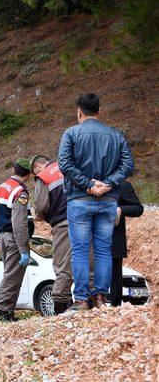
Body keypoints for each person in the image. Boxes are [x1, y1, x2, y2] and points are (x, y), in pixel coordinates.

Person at [58, 93, 134, 312]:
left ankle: (81, 299)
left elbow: (65, 164)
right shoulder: (116, 135)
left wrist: (88, 185)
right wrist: (108, 184)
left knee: (80, 250)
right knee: (103, 250)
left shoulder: (71, 133)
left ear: (79, 112)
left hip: (80, 199)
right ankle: (100, 298)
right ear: (99, 111)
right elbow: (127, 165)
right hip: (109, 200)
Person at [31, 155, 73, 314]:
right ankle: (90, 298)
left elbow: (42, 205)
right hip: (84, 220)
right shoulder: (68, 166)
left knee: (62, 263)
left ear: (37, 166)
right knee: (85, 260)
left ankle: (60, 304)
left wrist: (41, 216)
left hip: (63, 223)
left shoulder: (43, 176)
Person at [0, 159, 33, 321]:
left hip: (3, 236)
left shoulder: (3, 186)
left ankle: (7, 312)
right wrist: (23, 248)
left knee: (10, 275)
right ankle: (4, 313)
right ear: (29, 174)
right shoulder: (20, 192)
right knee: (12, 277)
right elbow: (19, 222)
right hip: (15, 238)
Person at [110, 181, 143, 306]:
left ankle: (114, 308)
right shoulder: (87, 182)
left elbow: (138, 208)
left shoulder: (122, 185)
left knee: (114, 280)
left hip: (113, 242)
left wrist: (120, 209)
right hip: (91, 241)